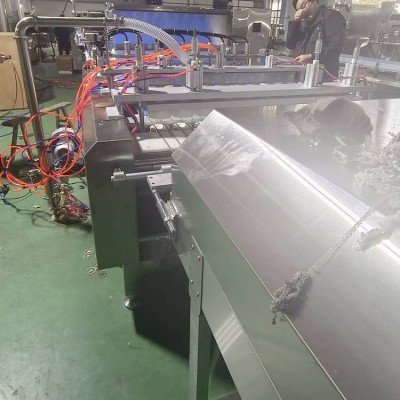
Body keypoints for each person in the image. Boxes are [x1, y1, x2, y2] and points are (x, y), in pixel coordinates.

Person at [286, 0, 346, 81]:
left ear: (314, 1)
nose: (302, 10)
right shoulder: (303, 23)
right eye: (298, 9)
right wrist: (295, 23)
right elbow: (290, 45)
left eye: (304, 5)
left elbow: (335, 47)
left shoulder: (331, 16)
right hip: (302, 75)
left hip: (322, 76)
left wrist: (311, 56)